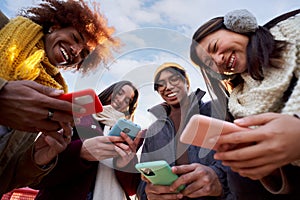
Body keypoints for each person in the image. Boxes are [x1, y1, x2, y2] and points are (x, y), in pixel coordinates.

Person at [0, 0, 118, 196]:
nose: (76, 51)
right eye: (75, 37)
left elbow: (6, 177)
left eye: (84, 54)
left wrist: (37, 158)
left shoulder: (51, 99)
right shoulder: (3, 28)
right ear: (55, 26)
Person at [190, 8, 300, 198]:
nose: (218, 60)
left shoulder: (295, 29)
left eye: (215, 46)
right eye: (210, 63)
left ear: (239, 26)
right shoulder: (237, 103)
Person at [32, 80, 144, 200]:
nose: (121, 100)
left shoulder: (127, 136)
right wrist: (80, 152)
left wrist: (124, 166)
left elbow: (132, 189)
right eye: (119, 93)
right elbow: (37, 177)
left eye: (128, 100)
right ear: (109, 92)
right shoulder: (75, 117)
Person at [136, 62, 231, 200]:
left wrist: (219, 178)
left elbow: (248, 152)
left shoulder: (217, 108)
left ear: (186, 82)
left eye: (174, 79)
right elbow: (144, 176)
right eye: (161, 84)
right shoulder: (154, 130)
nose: (168, 87)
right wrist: (148, 195)